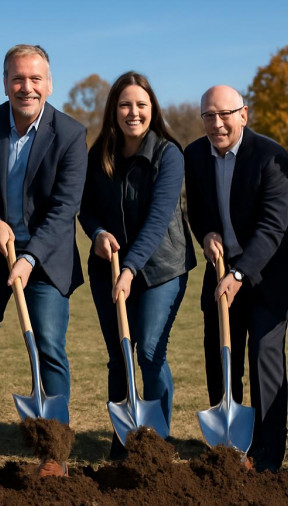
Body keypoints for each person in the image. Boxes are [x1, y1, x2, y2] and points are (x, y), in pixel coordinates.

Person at [0, 44, 87, 477]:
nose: (26, 87)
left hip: (45, 262)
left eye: (35, 79)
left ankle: (53, 452)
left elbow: (65, 207)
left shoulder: (70, 134)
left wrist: (29, 258)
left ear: (49, 83)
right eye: (17, 78)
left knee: (48, 349)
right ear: (5, 81)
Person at [184, 85, 288, 472]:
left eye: (225, 114)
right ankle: (231, 447)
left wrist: (239, 273)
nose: (216, 123)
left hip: (269, 276)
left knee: (263, 359)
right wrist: (205, 234)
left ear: (243, 114)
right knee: (221, 356)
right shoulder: (194, 155)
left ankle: (268, 456)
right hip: (221, 273)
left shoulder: (271, 157)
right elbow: (198, 210)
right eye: (208, 115)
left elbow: (274, 227)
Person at [78, 72, 195, 459]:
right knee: (119, 354)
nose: (133, 112)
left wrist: (130, 270)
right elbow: (86, 209)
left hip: (160, 268)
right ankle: (123, 437)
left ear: (152, 110)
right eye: (125, 104)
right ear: (113, 110)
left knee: (148, 353)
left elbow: (159, 219)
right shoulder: (99, 156)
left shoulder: (168, 155)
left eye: (141, 105)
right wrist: (96, 233)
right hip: (108, 267)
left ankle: (157, 441)